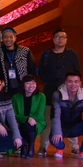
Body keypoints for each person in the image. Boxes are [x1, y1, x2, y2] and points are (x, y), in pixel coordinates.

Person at [38, 28, 81, 156]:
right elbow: (41, 72)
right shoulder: (47, 54)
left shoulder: (72, 54)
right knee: (47, 119)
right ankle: (43, 146)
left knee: (72, 119)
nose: (60, 39)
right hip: (50, 91)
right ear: (53, 39)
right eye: (57, 37)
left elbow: (77, 72)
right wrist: (48, 81)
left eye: (63, 37)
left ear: (66, 40)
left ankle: (74, 147)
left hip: (69, 92)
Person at [50, 70, 83, 159]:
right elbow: (55, 115)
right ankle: (60, 148)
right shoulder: (57, 95)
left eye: (76, 82)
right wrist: (57, 132)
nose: (73, 84)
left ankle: (82, 151)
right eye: (70, 81)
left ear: (80, 83)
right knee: (54, 139)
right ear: (65, 82)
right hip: (62, 127)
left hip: (76, 126)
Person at [12, 75, 46, 159]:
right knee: (24, 125)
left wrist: (30, 119)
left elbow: (39, 114)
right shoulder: (15, 97)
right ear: (23, 85)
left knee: (28, 125)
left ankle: (31, 147)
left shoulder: (41, 96)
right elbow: (13, 115)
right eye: (28, 83)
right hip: (20, 122)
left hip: (37, 121)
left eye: (33, 83)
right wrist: (26, 119)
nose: (31, 86)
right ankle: (24, 147)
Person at [0, 27, 36, 97]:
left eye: (11, 37)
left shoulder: (25, 51)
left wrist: (31, 84)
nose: (8, 39)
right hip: (7, 88)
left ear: (15, 38)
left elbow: (32, 68)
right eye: (5, 37)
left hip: (23, 87)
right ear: (2, 39)